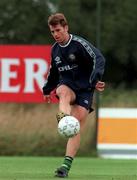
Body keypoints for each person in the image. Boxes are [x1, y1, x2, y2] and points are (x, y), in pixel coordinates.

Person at [42, 13, 105, 178]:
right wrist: (47, 89)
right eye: (52, 32)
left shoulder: (79, 44)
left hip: (85, 90)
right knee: (61, 91)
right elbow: (53, 73)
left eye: (58, 30)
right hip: (67, 86)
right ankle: (63, 118)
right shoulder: (54, 50)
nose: (55, 34)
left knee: (75, 127)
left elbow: (99, 59)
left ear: (66, 28)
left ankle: (65, 166)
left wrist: (94, 80)